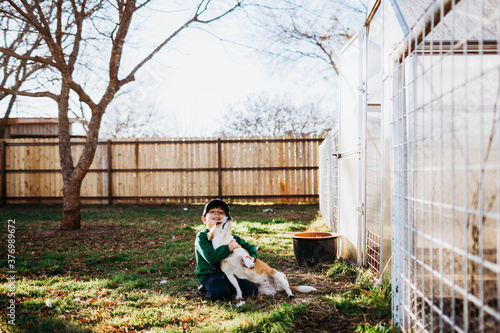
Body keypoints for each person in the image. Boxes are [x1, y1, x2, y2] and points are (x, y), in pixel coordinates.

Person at [195, 198, 258, 301]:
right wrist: (229, 247)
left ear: (225, 218)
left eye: (221, 212)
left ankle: (230, 288)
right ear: (204, 219)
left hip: (230, 272)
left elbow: (250, 247)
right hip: (210, 274)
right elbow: (211, 258)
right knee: (220, 294)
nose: (217, 214)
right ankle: (206, 289)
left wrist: (251, 258)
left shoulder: (230, 237)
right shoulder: (202, 237)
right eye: (212, 212)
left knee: (251, 291)